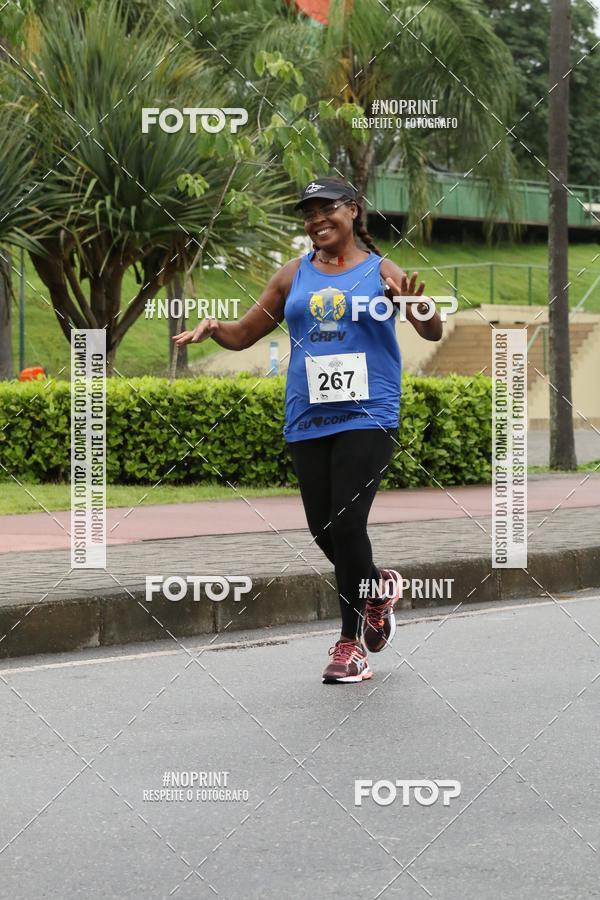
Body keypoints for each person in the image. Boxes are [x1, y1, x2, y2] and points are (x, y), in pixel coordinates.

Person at [173, 176, 443, 684]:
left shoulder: (380, 270)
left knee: (347, 523)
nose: (317, 219)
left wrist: (419, 309)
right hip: (309, 415)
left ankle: (350, 644)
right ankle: (378, 587)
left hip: (368, 413)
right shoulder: (292, 274)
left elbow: (430, 327)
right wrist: (216, 329)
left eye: (327, 209)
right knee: (323, 530)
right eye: (309, 212)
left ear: (353, 210)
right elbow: (245, 333)